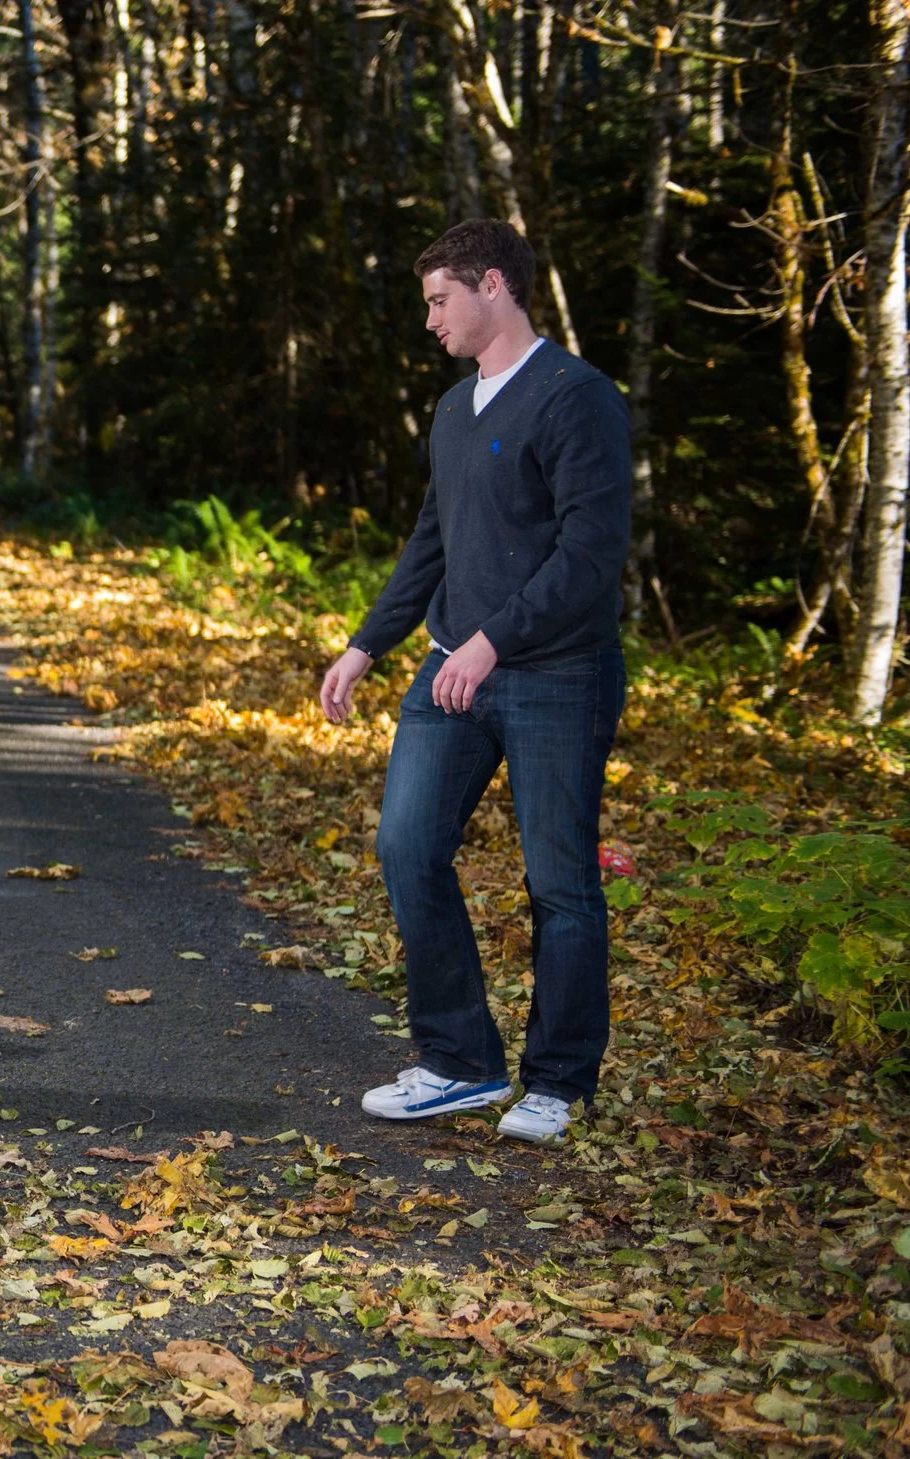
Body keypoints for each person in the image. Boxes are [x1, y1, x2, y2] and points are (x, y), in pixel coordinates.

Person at [318, 219, 631, 1145]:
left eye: (438, 300)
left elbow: (589, 555)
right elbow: (433, 541)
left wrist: (494, 641)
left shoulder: (579, 398)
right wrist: (367, 644)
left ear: (493, 285)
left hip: (557, 678)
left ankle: (558, 1081)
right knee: (407, 846)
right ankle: (458, 1062)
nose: (430, 321)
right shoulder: (456, 411)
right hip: (451, 669)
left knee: (561, 881)